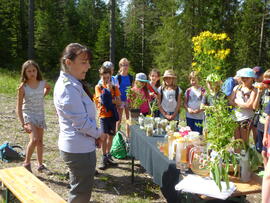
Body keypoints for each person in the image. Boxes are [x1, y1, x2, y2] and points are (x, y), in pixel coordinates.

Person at [53, 43, 106, 203]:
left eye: (88, 62)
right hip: (78, 149)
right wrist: (99, 134)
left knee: (79, 189)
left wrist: (94, 135)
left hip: (80, 145)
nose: (88, 66)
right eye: (84, 62)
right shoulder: (68, 88)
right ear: (68, 62)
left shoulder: (73, 83)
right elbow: (81, 122)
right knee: (80, 194)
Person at [16, 60, 51, 173]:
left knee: (40, 141)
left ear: (37, 71)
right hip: (28, 114)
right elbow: (18, 107)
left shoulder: (42, 83)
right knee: (34, 139)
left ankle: (40, 165)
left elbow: (48, 88)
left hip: (40, 114)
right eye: (29, 71)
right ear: (24, 73)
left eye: (34, 70)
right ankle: (26, 163)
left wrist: (42, 95)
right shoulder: (23, 87)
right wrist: (23, 123)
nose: (32, 73)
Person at [95, 66, 121, 170]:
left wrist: (109, 99)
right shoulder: (99, 87)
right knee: (104, 136)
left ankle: (108, 155)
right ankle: (103, 157)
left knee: (111, 136)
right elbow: (101, 101)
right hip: (103, 115)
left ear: (111, 77)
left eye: (108, 78)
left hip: (112, 115)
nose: (106, 80)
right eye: (104, 78)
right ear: (101, 77)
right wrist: (109, 93)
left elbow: (119, 102)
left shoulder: (115, 87)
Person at [230, 68, 256, 143]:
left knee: (244, 140)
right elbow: (230, 101)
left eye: (246, 78)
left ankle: (246, 154)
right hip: (235, 117)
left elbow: (249, 105)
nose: (244, 79)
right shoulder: (237, 87)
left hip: (246, 118)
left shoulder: (254, 90)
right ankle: (237, 154)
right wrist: (242, 104)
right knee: (236, 140)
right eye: (242, 77)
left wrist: (236, 102)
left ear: (252, 78)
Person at [253, 70, 270, 154]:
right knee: (262, 152)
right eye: (265, 80)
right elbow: (255, 107)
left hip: (268, 126)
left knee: (267, 152)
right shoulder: (263, 92)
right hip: (261, 123)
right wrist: (259, 93)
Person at [115, 58, 133, 137]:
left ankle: (128, 137)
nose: (125, 67)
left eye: (126, 65)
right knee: (119, 119)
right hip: (120, 100)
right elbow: (115, 89)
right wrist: (117, 100)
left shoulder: (130, 77)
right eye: (123, 65)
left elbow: (132, 88)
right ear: (120, 66)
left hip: (128, 100)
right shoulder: (117, 77)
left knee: (128, 119)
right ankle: (117, 137)